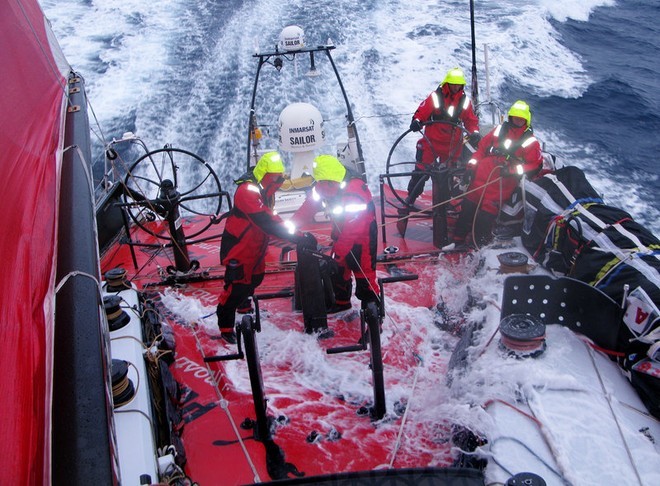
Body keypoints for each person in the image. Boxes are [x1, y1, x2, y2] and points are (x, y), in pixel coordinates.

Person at [217, 151, 316, 343]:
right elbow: (268, 222)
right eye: (276, 179)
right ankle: (225, 326)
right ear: (267, 177)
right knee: (235, 286)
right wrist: (298, 237)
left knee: (255, 278)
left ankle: (244, 307)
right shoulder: (248, 192)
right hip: (240, 247)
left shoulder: (263, 190)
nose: (279, 183)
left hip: (255, 246)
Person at [293, 155, 379, 313]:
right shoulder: (323, 185)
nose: (320, 186)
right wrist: (292, 225)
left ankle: (374, 317)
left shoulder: (355, 190)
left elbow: (353, 230)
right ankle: (341, 303)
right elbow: (309, 207)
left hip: (363, 239)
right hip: (341, 234)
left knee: (364, 278)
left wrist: (337, 255)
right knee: (338, 272)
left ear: (330, 181)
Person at [452, 100, 543, 247]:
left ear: (526, 120)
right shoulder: (499, 130)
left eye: (521, 119)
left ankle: (476, 248)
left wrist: (512, 171)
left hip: (501, 184)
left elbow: (534, 165)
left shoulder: (531, 142)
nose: (517, 121)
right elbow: (481, 150)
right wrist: (470, 167)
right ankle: (457, 241)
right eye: (515, 118)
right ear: (510, 117)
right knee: (467, 209)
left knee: (484, 219)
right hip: (480, 178)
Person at [405, 67, 481, 207]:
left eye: (458, 84)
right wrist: (416, 121)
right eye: (453, 84)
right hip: (431, 143)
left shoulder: (464, 102)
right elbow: (422, 111)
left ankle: (444, 206)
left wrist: (475, 132)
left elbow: (471, 121)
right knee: (420, 173)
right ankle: (410, 199)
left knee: (448, 176)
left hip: (452, 147)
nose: (456, 87)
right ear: (447, 83)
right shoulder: (435, 97)